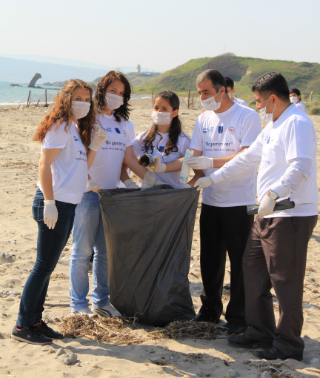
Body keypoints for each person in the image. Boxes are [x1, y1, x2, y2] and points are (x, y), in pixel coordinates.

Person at [194, 72, 318, 361]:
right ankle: (259, 330)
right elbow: (248, 158)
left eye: (260, 101)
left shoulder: (297, 123)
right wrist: (214, 178)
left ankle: (288, 344)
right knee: (252, 269)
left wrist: (274, 194)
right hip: (265, 212)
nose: (258, 106)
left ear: (273, 98)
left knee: (285, 280)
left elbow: (300, 167)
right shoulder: (274, 124)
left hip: (290, 213)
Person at [11, 79, 107, 345]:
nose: (84, 103)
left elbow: (78, 167)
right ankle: (22, 325)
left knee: (49, 265)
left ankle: (36, 321)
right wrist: (50, 202)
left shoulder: (74, 128)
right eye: (78, 97)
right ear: (66, 98)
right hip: (54, 204)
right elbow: (44, 165)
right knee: (43, 266)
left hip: (68, 204)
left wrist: (95, 146)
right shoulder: (59, 126)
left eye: (87, 99)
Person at [69, 71, 155, 318]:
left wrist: (148, 178)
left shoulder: (125, 124)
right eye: (113, 91)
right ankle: (78, 304)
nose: (117, 96)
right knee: (82, 250)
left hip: (113, 196)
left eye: (122, 93)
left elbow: (128, 158)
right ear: (102, 90)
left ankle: (102, 301)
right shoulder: (87, 116)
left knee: (105, 252)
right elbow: (76, 153)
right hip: (87, 194)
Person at [185, 70, 261, 335]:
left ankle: (238, 316)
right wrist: (189, 177)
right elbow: (194, 155)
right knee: (210, 259)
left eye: (206, 92)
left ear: (223, 89)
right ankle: (209, 310)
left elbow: (245, 155)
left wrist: (212, 167)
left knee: (240, 262)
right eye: (199, 93)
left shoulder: (247, 116)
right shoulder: (203, 118)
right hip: (211, 200)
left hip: (238, 201)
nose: (203, 97)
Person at [132, 91, 191, 189]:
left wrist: (163, 168)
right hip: (146, 196)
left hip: (172, 194)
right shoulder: (143, 137)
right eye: (156, 108)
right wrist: (129, 182)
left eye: (164, 109)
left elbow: (191, 162)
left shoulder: (183, 140)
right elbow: (128, 158)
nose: (159, 112)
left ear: (175, 112)